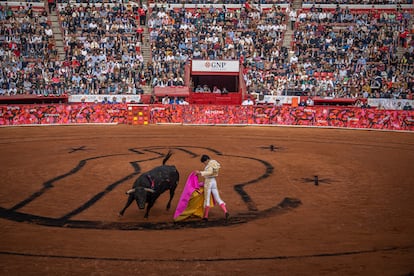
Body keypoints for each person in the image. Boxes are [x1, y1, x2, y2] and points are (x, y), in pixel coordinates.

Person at [196, 155, 229, 221]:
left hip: (208, 182)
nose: (204, 163)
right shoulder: (214, 162)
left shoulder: (210, 164)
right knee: (218, 198)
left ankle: (206, 217)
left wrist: (200, 172)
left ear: (207, 160)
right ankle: (226, 211)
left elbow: (210, 172)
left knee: (207, 199)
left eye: (204, 162)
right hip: (214, 181)